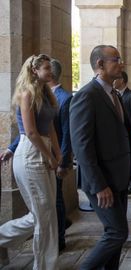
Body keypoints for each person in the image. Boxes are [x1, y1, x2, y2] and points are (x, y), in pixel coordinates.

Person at [70, 45, 131, 269]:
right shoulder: (87, 96)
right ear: (100, 65)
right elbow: (82, 146)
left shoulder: (114, 94)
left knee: (113, 233)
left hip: (119, 178)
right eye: (116, 59)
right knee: (118, 233)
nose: (121, 63)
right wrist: (99, 185)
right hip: (102, 181)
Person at [0, 59, 73, 252]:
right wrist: (50, 156)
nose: (51, 71)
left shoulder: (47, 95)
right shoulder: (27, 94)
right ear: (34, 70)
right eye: (46, 68)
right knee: (43, 214)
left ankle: (45, 263)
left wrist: (58, 156)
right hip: (30, 153)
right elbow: (31, 132)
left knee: (46, 214)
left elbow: (51, 129)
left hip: (45, 149)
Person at [113, 71, 131, 194]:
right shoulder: (116, 96)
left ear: (122, 80)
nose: (113, 82)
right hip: (120, 138)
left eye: (116, 79)